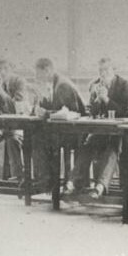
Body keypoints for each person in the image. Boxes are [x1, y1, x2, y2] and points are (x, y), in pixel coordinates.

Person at [64, 57, 128, 200]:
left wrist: (106, 99)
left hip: (118, 133)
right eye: (101, 70)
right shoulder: (95, 84)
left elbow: (124, 112)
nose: (103, 74)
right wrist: (96, 98)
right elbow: (92, 113)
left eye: (106, 70)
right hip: (100, 131)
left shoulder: (124, 85)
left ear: (114, 70)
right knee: (86, 146)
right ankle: (72, 182)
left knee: (113, 149)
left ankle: (100, 186)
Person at [30, 58, 86, 195]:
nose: (37, 77)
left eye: (39, 73)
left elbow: (70, 113)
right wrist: (41, 106)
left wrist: (45, 113)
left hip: (75, 133)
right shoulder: (53, 83)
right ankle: (46, 181)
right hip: (64, 130)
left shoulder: (62, 85)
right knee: (37, 137)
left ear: (47, 70)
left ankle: (46, 182)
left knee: (38, 139)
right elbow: (56, 108)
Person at [0, 57, 29, 185]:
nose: (2, 72)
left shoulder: (20, 82)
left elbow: (16, 107)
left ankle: (20, 178)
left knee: (13, 140)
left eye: (5, 69)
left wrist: (0, 92)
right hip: (2, 126)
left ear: (12, 69)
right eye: (0, 69)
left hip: (18, 125)